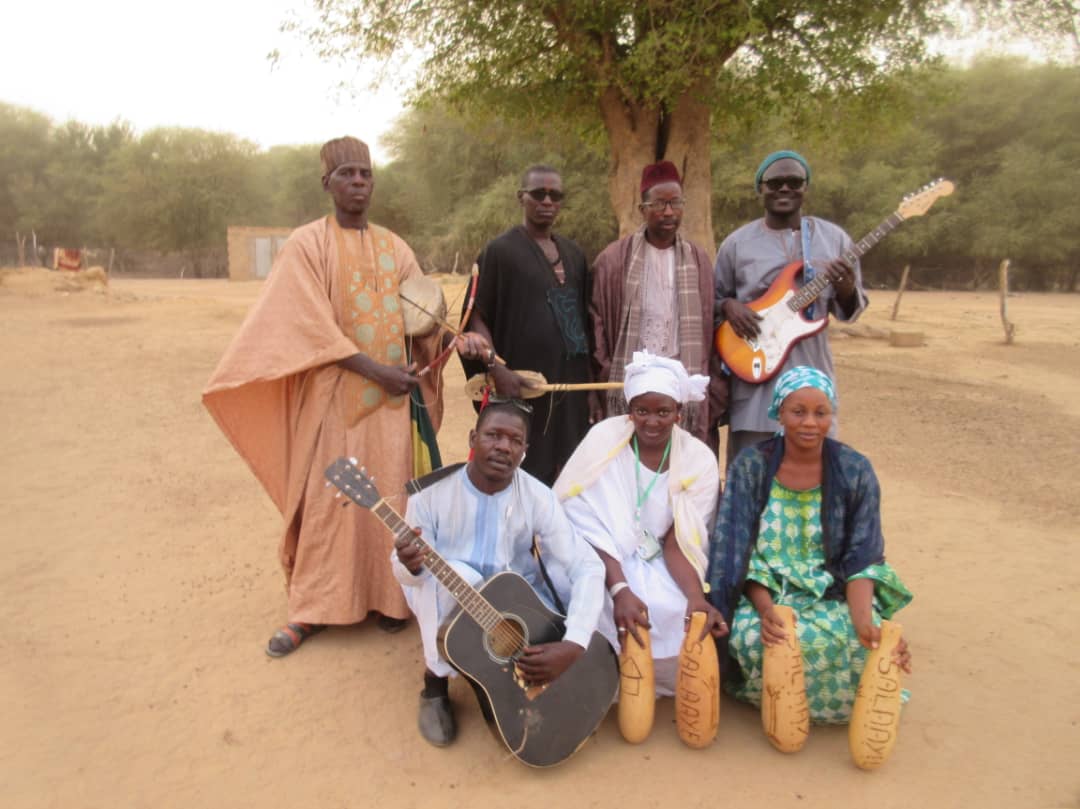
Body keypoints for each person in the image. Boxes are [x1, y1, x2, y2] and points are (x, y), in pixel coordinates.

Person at [203, 136, 489, 657]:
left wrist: (454, 339)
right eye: (347, 174)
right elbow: (305, 324)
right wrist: (374, 370)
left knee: (390, 499)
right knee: (327, 501)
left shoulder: (394, 247)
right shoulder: (306, 245)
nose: (358, 182)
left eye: (365, 174)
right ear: (327, 184)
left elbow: (422, 315)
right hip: (334, 400)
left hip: (392, 405)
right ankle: (312, 610)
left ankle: (389, 598)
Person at [392, 401, 606, 747]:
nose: (504, 446)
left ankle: (516, 668)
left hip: (513, 598)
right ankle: (435, 684)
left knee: (572, 572)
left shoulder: (536, 495)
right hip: (445, 595)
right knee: (452, 576)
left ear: (524, 450)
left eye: (515, 440)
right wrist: (410, 562)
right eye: (493, 435)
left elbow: (587, 565)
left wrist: (574, 643)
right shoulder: (430, 494)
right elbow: (409, 575)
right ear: (473, 437)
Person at [706, 366, 912, 723]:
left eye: (821, 413)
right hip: (765, 595)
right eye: (797, 411)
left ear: (832, 415)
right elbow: (738, 551)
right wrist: (766, 609)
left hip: (830, 593)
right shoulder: (751, 466)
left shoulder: (854, 469)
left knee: (862, 644)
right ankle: (777, 704)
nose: (810, 423)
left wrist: (863, 620)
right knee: (764, 642)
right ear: (779, 414)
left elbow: (863, 557)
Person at [555, 351, 726, 695]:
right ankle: (600, 682)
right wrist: (620, 589)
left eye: (663, 411)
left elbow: (680, 542)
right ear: (629, 411)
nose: (652, 421)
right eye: (642, 411)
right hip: (597, 556)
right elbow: (579, 519)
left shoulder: (698, 460)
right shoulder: (604, 440)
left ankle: (644, 686)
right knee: (588, 597)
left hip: (658, 558)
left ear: (679, 413)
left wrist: (696, 597)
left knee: (676, 609)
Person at [714, 150, 868, 464]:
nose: (784, 189)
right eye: (775, 183)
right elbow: (713, 301)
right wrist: (729, 305)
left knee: (812, 478)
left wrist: (846, 287)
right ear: (761, 189)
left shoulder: (835, 239)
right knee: (749, 479)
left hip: (811, 374)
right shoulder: (736, 244)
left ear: (805, 188)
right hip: (754, 379)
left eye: (794, 182)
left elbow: (850, 310)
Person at [461, 165, 601, 486]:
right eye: (539, 194)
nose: (547, 202)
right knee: (521, 473)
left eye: (555, 196)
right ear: (521, 197)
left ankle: (560, 537)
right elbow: (476, 315)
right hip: (520, 385)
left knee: (569, 477)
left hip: (571, 388)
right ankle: (519, 537)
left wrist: (591, 388)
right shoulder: (500, 251)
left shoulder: (574, 253)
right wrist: (497, 368)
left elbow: (583, 326)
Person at [591, 161, 720, 448]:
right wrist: (606, 373)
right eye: (659, 204)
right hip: (632, 380)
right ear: (643, 209)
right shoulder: (613, 261)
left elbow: (711, 328)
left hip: (681, 379)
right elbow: (597, 324)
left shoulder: (698, 261)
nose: (669, 212)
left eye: (676, 203)